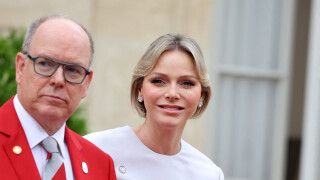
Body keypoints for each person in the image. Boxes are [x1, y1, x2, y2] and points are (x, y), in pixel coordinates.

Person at [85, 34, 224, 179]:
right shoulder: (95, 149)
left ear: (202, 94)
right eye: (159, 81)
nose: (172, 93)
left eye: (187, 83)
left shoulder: (209, 174)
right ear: (140, 88)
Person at [0, 14, 116, 180]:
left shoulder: (101, 165)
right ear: (20, 68)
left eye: (73, 70)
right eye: (45, 63)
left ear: (86, 84)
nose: (58, 80)